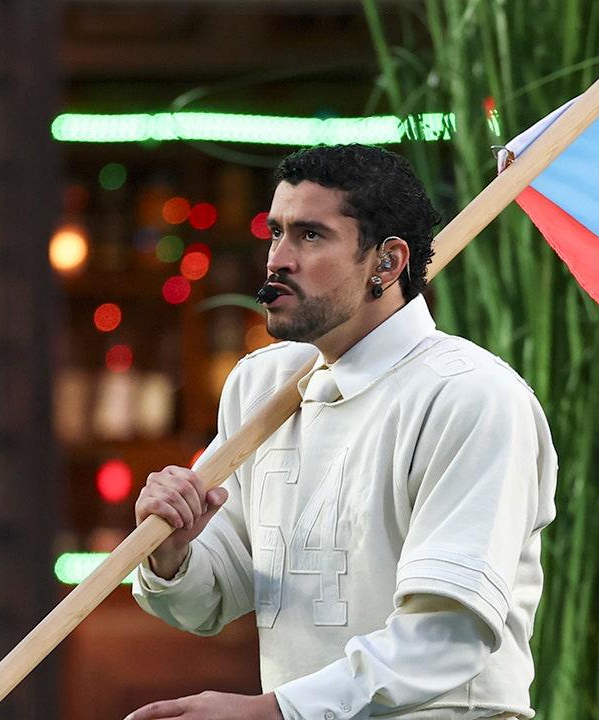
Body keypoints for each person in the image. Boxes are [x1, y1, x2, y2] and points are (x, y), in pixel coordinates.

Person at [126, 144, 557, 720]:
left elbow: (446, 637)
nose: (278, 259)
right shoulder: (259, 385)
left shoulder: (471, 396)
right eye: (275, 232)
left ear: (387, 262)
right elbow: (207, 601)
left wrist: (271, 713)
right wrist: (170, 551)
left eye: (310, 235)